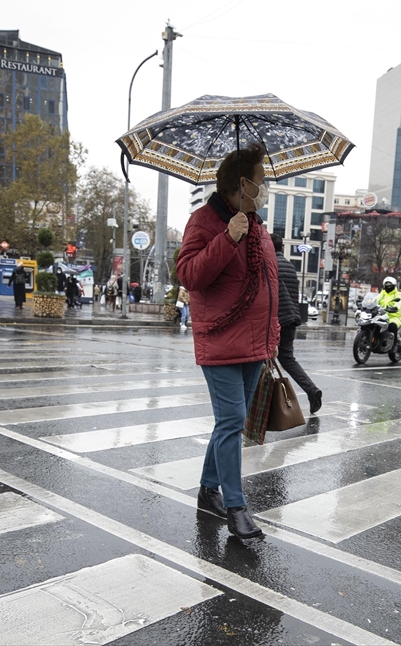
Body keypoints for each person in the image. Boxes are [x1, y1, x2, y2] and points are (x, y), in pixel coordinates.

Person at [176, 142, 278, 540]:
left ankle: (208, 490)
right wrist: (227, 238)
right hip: (220, 338)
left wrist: (273, 333)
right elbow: (189, 275)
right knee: (232, 421)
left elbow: (268, 282)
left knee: (229, 423)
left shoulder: (256, 224)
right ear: (242, 184)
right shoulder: (205, 221)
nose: (264, 187)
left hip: (254, 342)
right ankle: (236, 507)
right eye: (260, 180)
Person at [272, 233, 323, 414]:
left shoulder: (270, 265)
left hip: (275, 320)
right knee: (287, 359)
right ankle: (311, 390)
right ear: (282, 248)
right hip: (291, 318)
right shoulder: (290, 266)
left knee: (261, 360)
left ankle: (262, 405)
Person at [376, 276, 401, 345]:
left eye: (390, 286)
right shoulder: (382, 293)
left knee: (392, 326)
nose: (388, 287)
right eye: (387, 286)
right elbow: (375, 300)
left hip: (394, 316)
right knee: (373, 324)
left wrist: (395, 307)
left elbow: (399, 302)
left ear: (394, 286)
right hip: (382, 315)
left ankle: (394, 345)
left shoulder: (398, 294)